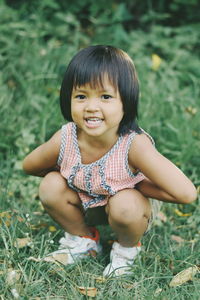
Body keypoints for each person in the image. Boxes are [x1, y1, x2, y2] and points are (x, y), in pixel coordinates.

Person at [23, 45, 197, 277]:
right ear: (68, 99)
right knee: (51, 185)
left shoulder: (134, 145)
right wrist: (74, 175)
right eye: (81, 96)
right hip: (86, 201)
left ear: (126, 102)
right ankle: (84, 240)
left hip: (129, 208)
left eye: (105, 97)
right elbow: (29, 166)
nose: (91, 107)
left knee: (125, 204)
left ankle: (126, 250)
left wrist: (136, 186)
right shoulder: (66, 137)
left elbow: (186, 194)